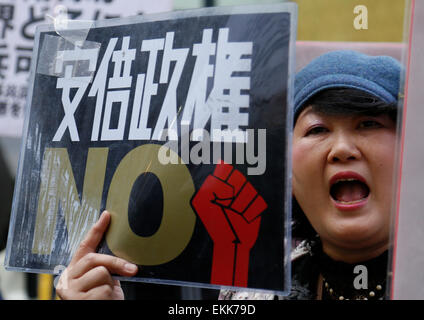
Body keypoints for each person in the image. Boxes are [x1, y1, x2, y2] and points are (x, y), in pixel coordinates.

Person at [56, 50, 402, 300]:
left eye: (369, 124)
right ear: (287, 170)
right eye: (317, 130)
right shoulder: (247, 295)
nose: (342, 149)